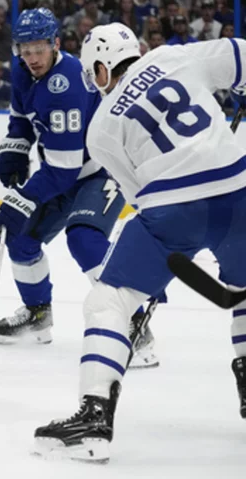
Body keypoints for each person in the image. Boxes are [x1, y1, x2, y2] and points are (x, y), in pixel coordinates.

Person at [33, 24, 246, 462]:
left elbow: (140, 195)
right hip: (240, 187)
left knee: (108, 302)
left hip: (172, 205)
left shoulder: (101, 127)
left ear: (99, 68)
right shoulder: (175, 57)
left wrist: (154, 267)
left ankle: (94, 415)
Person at [0, 9, 157, 368]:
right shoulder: (22, 71)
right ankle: (38, 316)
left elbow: (63, 172)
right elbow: (22, 118)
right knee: (21, 239)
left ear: (55, 44)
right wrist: (14, 149)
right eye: (25, 49)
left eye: (39, 48)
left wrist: (21, 199)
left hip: (101, 170)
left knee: (84, 239)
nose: (31, 57)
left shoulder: (67, 85)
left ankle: (135, 325)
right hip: (62, 168)